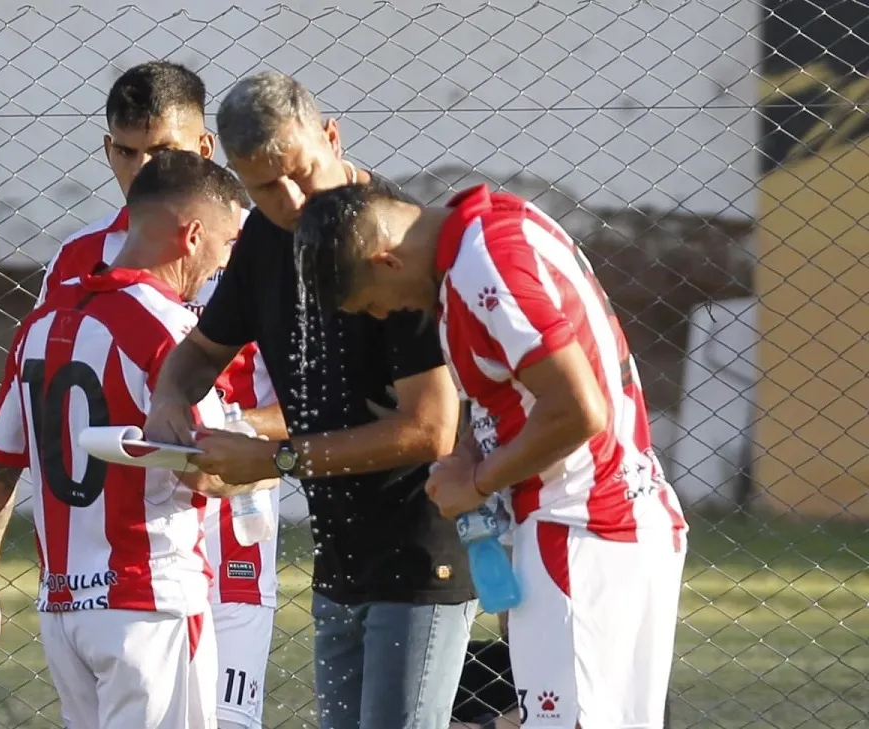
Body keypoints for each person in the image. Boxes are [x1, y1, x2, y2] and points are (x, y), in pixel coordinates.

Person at [144, 70, 474, 729]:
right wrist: (169, 402)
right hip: (340, 570)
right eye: (265, 186)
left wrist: (275, 459)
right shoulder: (266, 239)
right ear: (235, 172)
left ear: (331, 136)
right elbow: (200, 352)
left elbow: (432, 428)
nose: (292, 199)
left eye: (302, 171)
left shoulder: (392, 241)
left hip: (418, 561)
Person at [292, 181, 690, 728]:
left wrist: (477, 481)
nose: (387, 314)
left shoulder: (485, 265)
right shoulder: (485, 231)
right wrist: (477, 458)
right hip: (603, 521)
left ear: (385, 259)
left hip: (580, 528)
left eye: (373, 303)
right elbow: (529, 396)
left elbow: (579, 408)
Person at [0, 150, 260, 729]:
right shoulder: (171, 329)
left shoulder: (40, 324)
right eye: (228, 241)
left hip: (65, 607)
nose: (225, 262)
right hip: (149, 600)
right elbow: (210, 467)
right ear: (193, 236)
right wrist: (281, 456)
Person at [37, 61, 283, 729]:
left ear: (205, 150)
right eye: (127, 149)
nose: (143, 166)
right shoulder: (75, 259)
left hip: (228, 526)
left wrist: (215, 426)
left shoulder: (258, 250)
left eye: (164, 150)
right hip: (120, 553)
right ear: (107, 148)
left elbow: (307, 403)